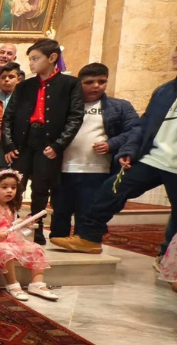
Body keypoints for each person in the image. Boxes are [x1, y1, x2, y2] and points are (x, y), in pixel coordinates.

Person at [51, 46, 177, 264]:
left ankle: (168, 258)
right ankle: (89, 238)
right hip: (154, 158)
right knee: (111, 190)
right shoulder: (164, 91)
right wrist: (129, 151)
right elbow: (143, 125)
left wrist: (112, 144)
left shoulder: (118, 106)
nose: (174, 55)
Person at [2, 38, 84, 245]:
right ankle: (9, 224)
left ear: (52, 58)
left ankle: (36, 227)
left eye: (35, 58)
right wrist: (9, 145)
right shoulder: (24, 86)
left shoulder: (70, 84)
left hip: (49, 142)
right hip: (24, 140)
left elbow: (75, 117)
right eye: (30, 59)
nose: (31, 63)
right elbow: (8, 117)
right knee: (15, 184)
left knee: (41, 187)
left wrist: (59, 145)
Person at [49, 63, 139, 240]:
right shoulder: (63, 106)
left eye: (101, 81)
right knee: (60, 213)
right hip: (63, 169)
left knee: (89, 213)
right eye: (89, 82)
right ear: (79, 83)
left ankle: (87, 246)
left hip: (97, 171)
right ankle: (56, 247)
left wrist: (111, 144)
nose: (96, 86)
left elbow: (135, 130)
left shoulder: (119, 107)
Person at [0, 169, 58, 301]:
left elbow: (11, 225)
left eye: (13, 188)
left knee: (36, 248)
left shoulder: (11, 207)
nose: (10, 191)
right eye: (4, 187)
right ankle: (12, 284)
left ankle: (37, 283)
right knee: (6, 252)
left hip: (10, 239)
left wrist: (21, 223)